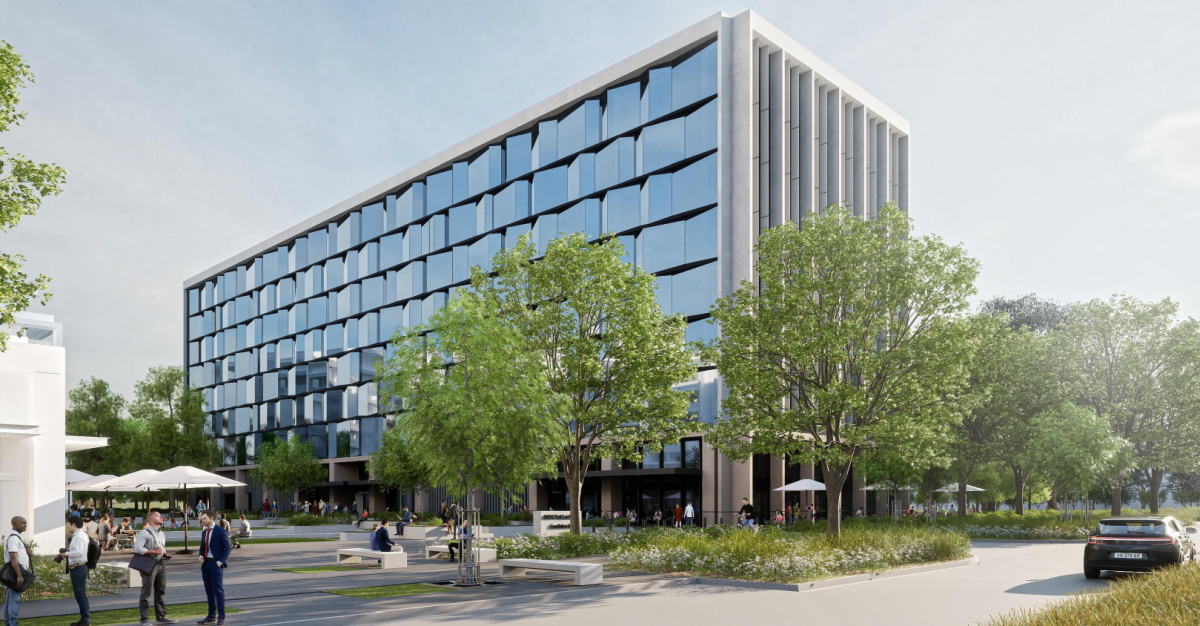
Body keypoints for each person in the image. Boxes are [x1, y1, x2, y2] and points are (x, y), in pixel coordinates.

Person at [134, 511, 178, 626]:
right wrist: (155, 552)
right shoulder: (144, 533)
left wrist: (164, 554)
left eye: (160, 515)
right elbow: (137, 549)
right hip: (149, 563)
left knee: (160, 590)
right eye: (158, 516)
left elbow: (161, 549)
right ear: (151, 520)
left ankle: (161, 617)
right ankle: (144, 619)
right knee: (146, 592)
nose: (161, 517)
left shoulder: (161, 533)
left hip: (160, 563)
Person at [197, 512, 231, 626]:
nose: (203, 521)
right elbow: (202, 547)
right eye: (202, 519)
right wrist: (200, 555)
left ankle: (221, 617)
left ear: (212, 518)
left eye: (205, 519)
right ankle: (211, 616)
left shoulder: (220, 531)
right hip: (205, 564)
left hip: (216, 564)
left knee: (218, 591)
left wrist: (221, 561)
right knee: (209, 592)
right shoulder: (204, 531)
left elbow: (228, 548)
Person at [60, 517, 92, 626]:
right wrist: (69, 551)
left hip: (78, 567)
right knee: (80, 594)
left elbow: (78, 552)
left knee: (80, 595)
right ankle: (85, 619)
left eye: (68, 524)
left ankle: (85, 620)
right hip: (80, 567)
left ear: (73, 524)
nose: (68, 526)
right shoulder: (82, 534)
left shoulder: (78, 536)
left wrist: (66, 554)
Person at [5, 516, 31, 626]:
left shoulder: (16, 537)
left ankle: (8, 623)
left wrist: (26, 552)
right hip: (15, 573)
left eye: (25, 523)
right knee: (14, 600)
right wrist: (19, 575)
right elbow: (13, 558)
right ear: (14, 524)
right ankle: (12, 623)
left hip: (15, 573)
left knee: (10, 599)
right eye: (22, 523)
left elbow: (17, 554)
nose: (25, 525)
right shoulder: (13, 538)